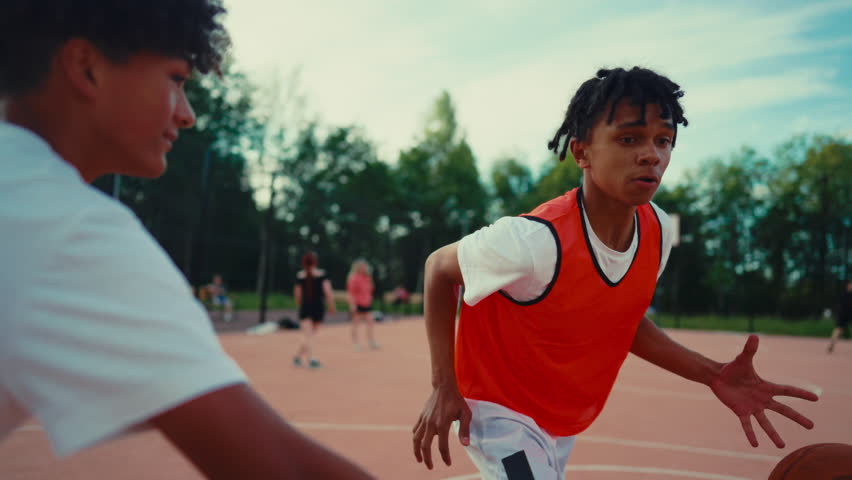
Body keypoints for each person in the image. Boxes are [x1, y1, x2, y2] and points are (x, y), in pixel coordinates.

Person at [0, 2, 373, 478]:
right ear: (86, 67)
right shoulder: (66, 226)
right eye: (176, 79)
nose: (188, 115)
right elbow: (284, 471)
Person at [411, 67, 819, 479]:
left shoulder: (657, 231)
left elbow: (622, 321)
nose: (651, 155)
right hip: (497, 411)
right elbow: (438, 269)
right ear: (581, 153)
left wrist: (713, 374)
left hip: (559, 415)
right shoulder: (533, 242)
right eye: (629, 139)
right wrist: (443, 385)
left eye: (663, 140)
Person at [293, 252, 336, 368]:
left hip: (305, 307)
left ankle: (297, 357)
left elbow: (297, 294)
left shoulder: (300, 276)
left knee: (308, 335)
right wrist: (331, 306)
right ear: (315, 262)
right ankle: (311, 359)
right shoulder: (322, 274)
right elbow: (328, 292)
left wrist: (300, 304)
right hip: (318, 307)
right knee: (310, 334)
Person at [347, 259, 379, 350]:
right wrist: (352, 304)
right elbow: (351, 292)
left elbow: (371, 289)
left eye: (365, 266)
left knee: (370, 322)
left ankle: (371, 341)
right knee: (356, 323)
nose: (364, 268)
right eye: (362, 266)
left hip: (366, 303)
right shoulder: (354, 278)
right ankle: (355, 343)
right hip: (358, 303)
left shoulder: (367, 277)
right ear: (358, 267)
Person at [827, 281, 852, 353]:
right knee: (838, 329)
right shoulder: (844, 295)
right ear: (848, 286)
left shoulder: (843, 294)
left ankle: (831, 344)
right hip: (843, 314)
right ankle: (832, 344)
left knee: (838, 329)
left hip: (846, 314)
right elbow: (840, 306)